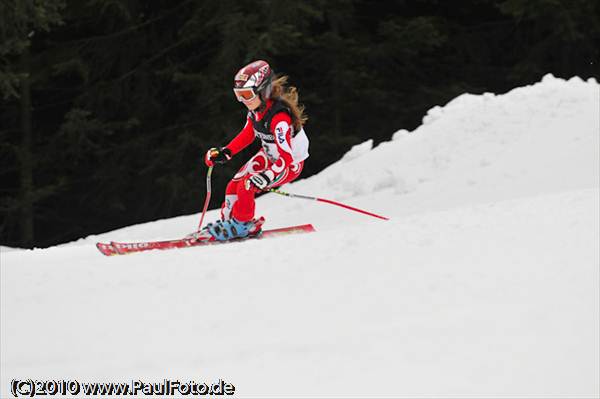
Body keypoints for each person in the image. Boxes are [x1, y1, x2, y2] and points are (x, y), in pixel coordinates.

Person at [202, 60, 310, 241]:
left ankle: (242, 226)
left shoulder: (279, 119)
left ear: (263, 90)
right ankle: (230, 223)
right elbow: (248, 134)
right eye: (238, 95)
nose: (242, 100)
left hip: (288, 164)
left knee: (248, 184)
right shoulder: (255, 110)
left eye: (246, 94)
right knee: (234, 184)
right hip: (269, 156)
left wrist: (267, 176)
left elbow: (286, 158)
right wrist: (226, 152)